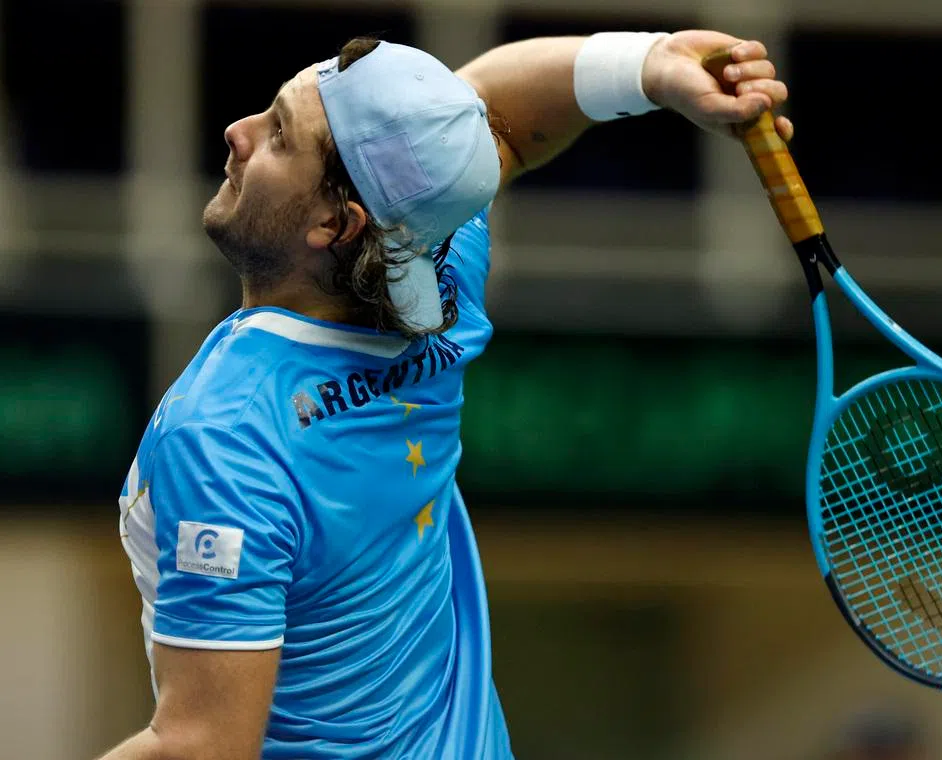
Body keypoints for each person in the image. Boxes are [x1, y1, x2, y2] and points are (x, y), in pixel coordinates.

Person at [101, 29, 793, 760]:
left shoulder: (227, 436)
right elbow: (492, 116)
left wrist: (650, 71)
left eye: (278, 136)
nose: (237, 135)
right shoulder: (433, 278)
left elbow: (201, 746)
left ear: (336, 224)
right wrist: (649, 67)